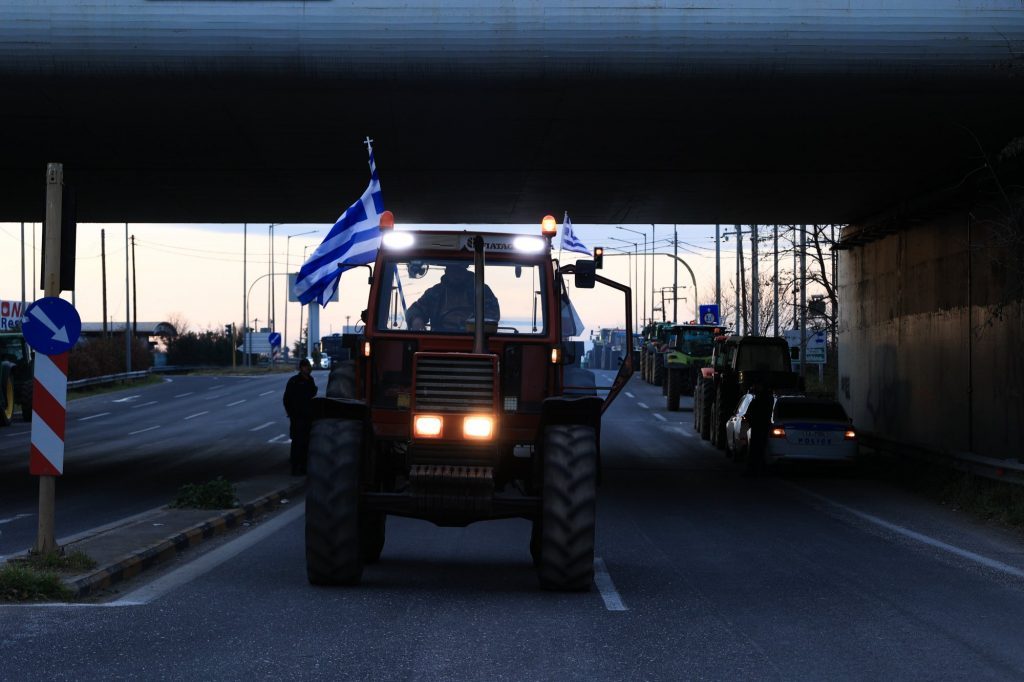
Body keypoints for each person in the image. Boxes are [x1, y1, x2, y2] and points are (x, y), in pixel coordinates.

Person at [406, 262, 500, 332]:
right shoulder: (435, 292)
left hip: (473, 340)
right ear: (447, 272)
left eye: (459, 270)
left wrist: (472, 326)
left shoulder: (482, 291)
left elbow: (492, 317)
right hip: (439, 340)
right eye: (453, 270)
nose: (456, 275)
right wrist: (416, 319)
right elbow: (416, 309)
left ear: (465, 271)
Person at [283, 358, 317, 475]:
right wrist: (291, 413)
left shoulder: (310, 380)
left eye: (309, 366)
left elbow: (313, 394)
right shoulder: (294, 381)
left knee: (307, 442)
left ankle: (303, 466)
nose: (308, 368)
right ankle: (295, 466)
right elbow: (287, 398)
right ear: (301, 368)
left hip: (308, 417)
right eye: (306, 366)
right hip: (297, 417)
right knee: (297, 441)